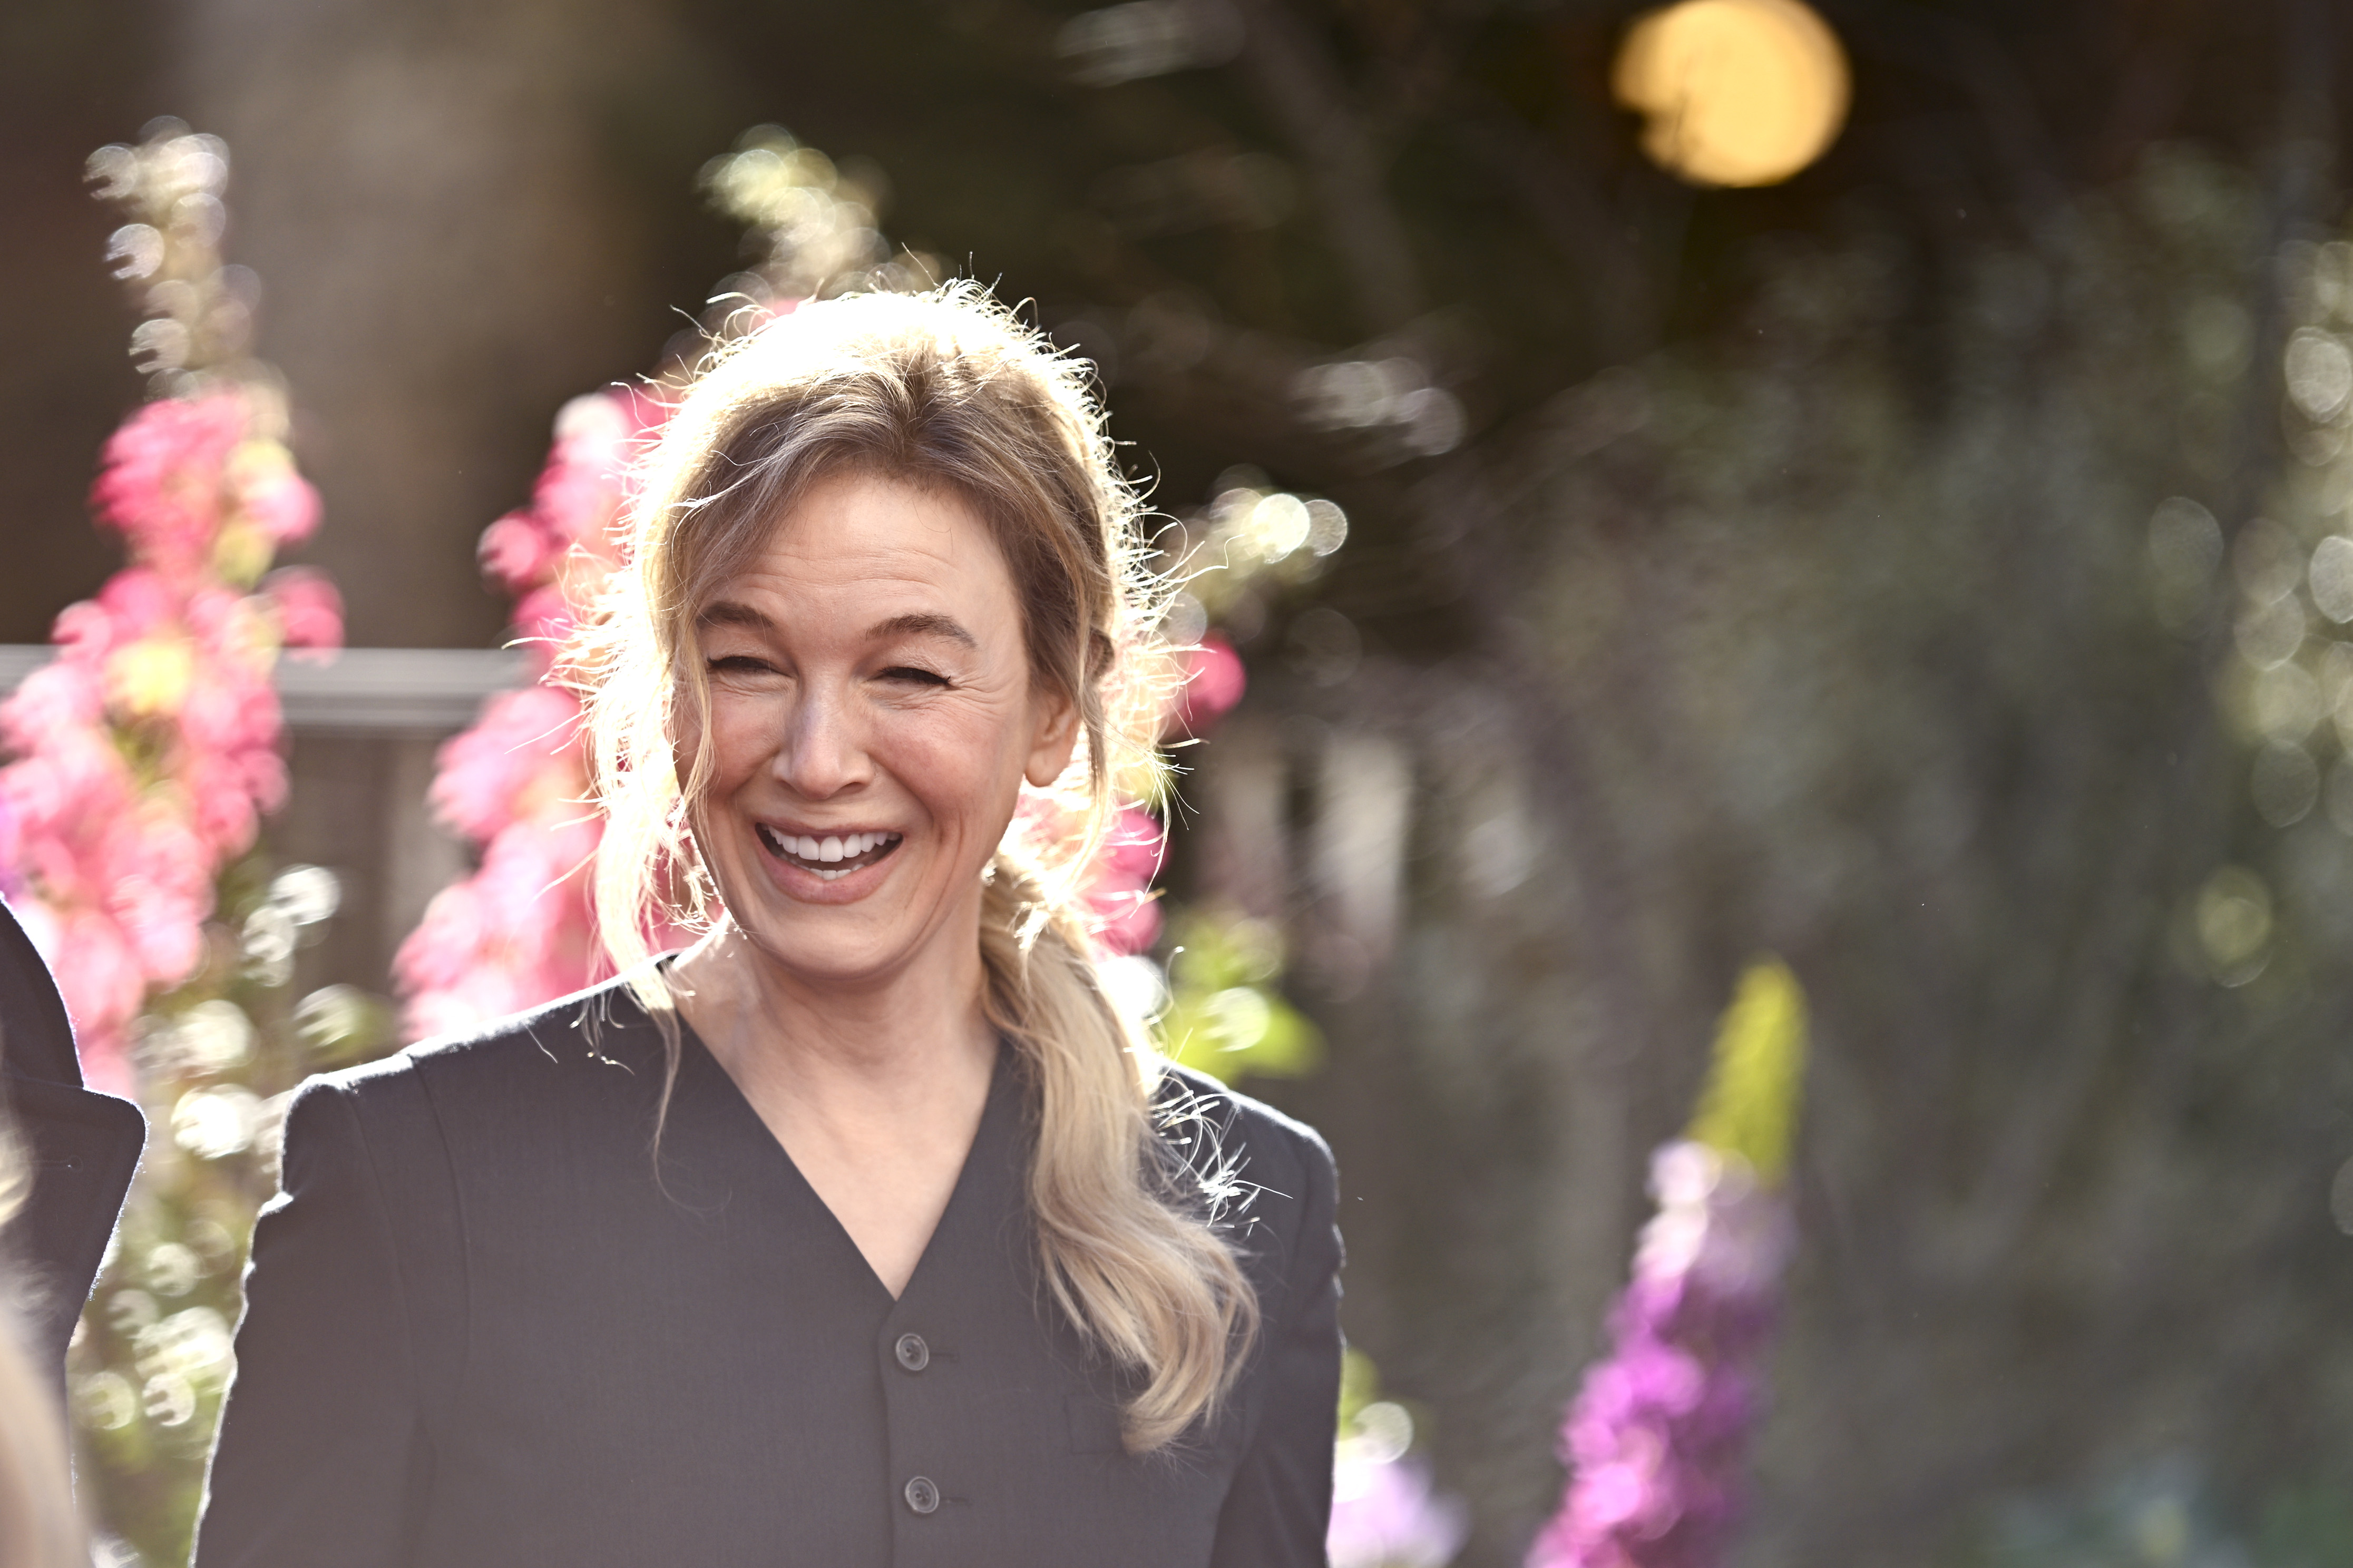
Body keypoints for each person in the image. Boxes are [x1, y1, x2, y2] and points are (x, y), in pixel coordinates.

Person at [194, 285, 1342, 1567]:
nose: (816, 757)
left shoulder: (1250, 1215)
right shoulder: (415, 1184)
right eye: (748, 663)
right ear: (671, 696)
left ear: (1055, 710)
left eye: (908, 673)